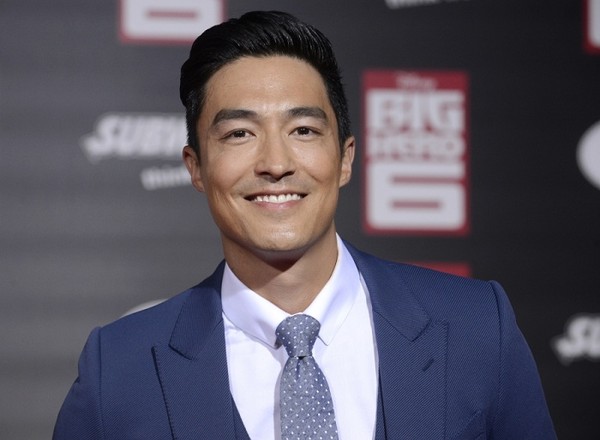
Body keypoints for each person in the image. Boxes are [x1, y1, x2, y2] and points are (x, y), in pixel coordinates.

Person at [53, 10, 556, 440]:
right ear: (196, 168)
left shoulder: (475, 328)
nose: (276, 163)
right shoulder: (118, 369)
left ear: (345, 157)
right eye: (239, 133)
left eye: (303, 130)